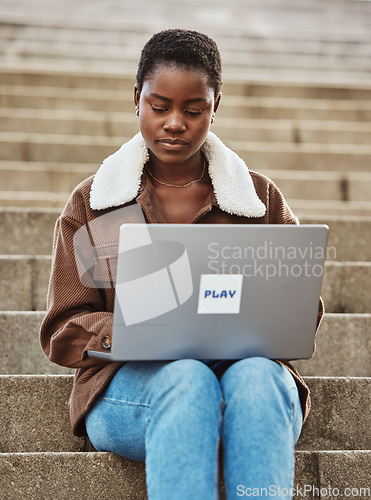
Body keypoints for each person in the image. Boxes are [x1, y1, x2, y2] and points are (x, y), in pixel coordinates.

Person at [40, 29, 324, 499]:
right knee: (188, 381)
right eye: (160, 106)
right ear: (137, 99)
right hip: (131, 387)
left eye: (193, 111)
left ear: (215, 108)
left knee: (257, 379)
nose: (175, 122)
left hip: (243, 380)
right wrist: (133, 330)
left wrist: (255, 319)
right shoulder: (96, 205)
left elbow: (300, 311)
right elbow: (63, 327)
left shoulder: (258, 200)